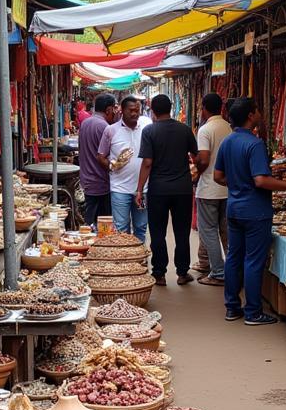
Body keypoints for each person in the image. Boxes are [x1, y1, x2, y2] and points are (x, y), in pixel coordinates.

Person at [214, 98, 286, 325]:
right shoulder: (254, 144)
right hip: (255, 211)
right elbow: (261, 180)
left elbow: (218, 176)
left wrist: (237, 184)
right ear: (251, 115)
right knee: (253, 261)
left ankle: (232, 308)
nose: (260, 114)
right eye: (257, 110)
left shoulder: (227, 142)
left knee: (234, 257)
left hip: (234, 208)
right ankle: (253, 312)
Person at [136, 93, 198, 286]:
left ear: (152, 110)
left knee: (157, 232)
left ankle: (159, 273)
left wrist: (139, 189)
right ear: (171, 108)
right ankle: (182, 272)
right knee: (182, 232)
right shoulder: (185, 130)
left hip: (158, 189)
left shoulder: (149, 131)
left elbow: (147, 163)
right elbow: (195, 157)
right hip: (182, 189)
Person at [97, 95, 150, 241]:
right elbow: (100, 155)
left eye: (137, 110)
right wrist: (111, 165)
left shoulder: (146, 128)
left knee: (141, 227)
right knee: (121, 228)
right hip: (119, 189)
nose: (134, 114)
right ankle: (123, 261)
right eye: (131, 110)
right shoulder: (111, 131)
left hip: (142, 190)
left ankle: (139, 261)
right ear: (121, 111)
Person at [193, 92, 231, 287]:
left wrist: (196, 165)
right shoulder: (229, 128)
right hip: (227, 187)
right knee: (226, 231)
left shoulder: (206, 130)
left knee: (208, 231)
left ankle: (218, 272)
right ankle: (231, 270)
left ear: (204, 109)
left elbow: (205, 159)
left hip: (209, 187)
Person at [78, 93, 117, 227]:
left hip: (87, 179)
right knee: (104, 224)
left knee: (89, 222)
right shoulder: (105, 127)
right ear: (108, 110)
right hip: (100, 182)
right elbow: (107, 156)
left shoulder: (85, 123)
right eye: (114, 109)